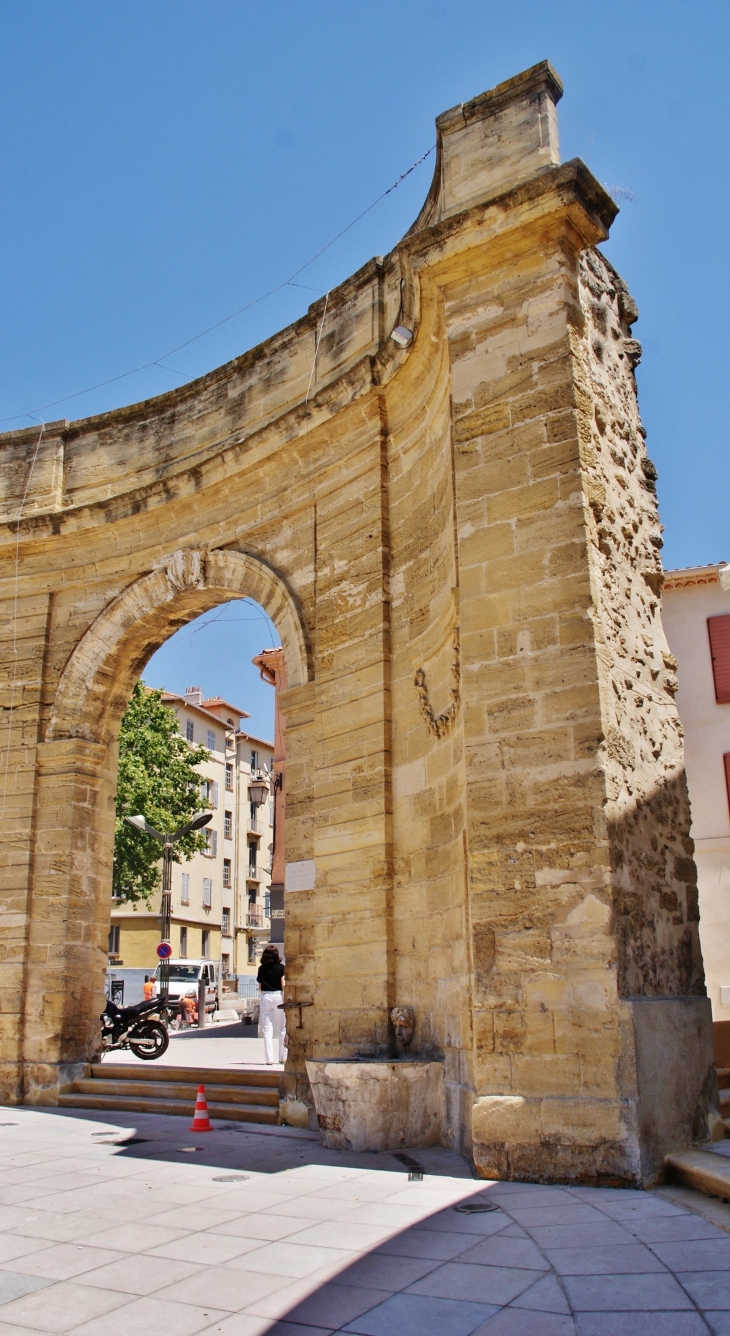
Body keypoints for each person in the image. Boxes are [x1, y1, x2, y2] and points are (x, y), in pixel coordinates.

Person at [257, 944, 287, 1065]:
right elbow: (283, 984)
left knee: (267, 1029)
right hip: (278, 996)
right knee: (282, 1028)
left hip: (266, 996)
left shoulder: (261, 968)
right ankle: (282, 1057)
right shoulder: (281, 968)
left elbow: (260, 986)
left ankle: (269, 1059)